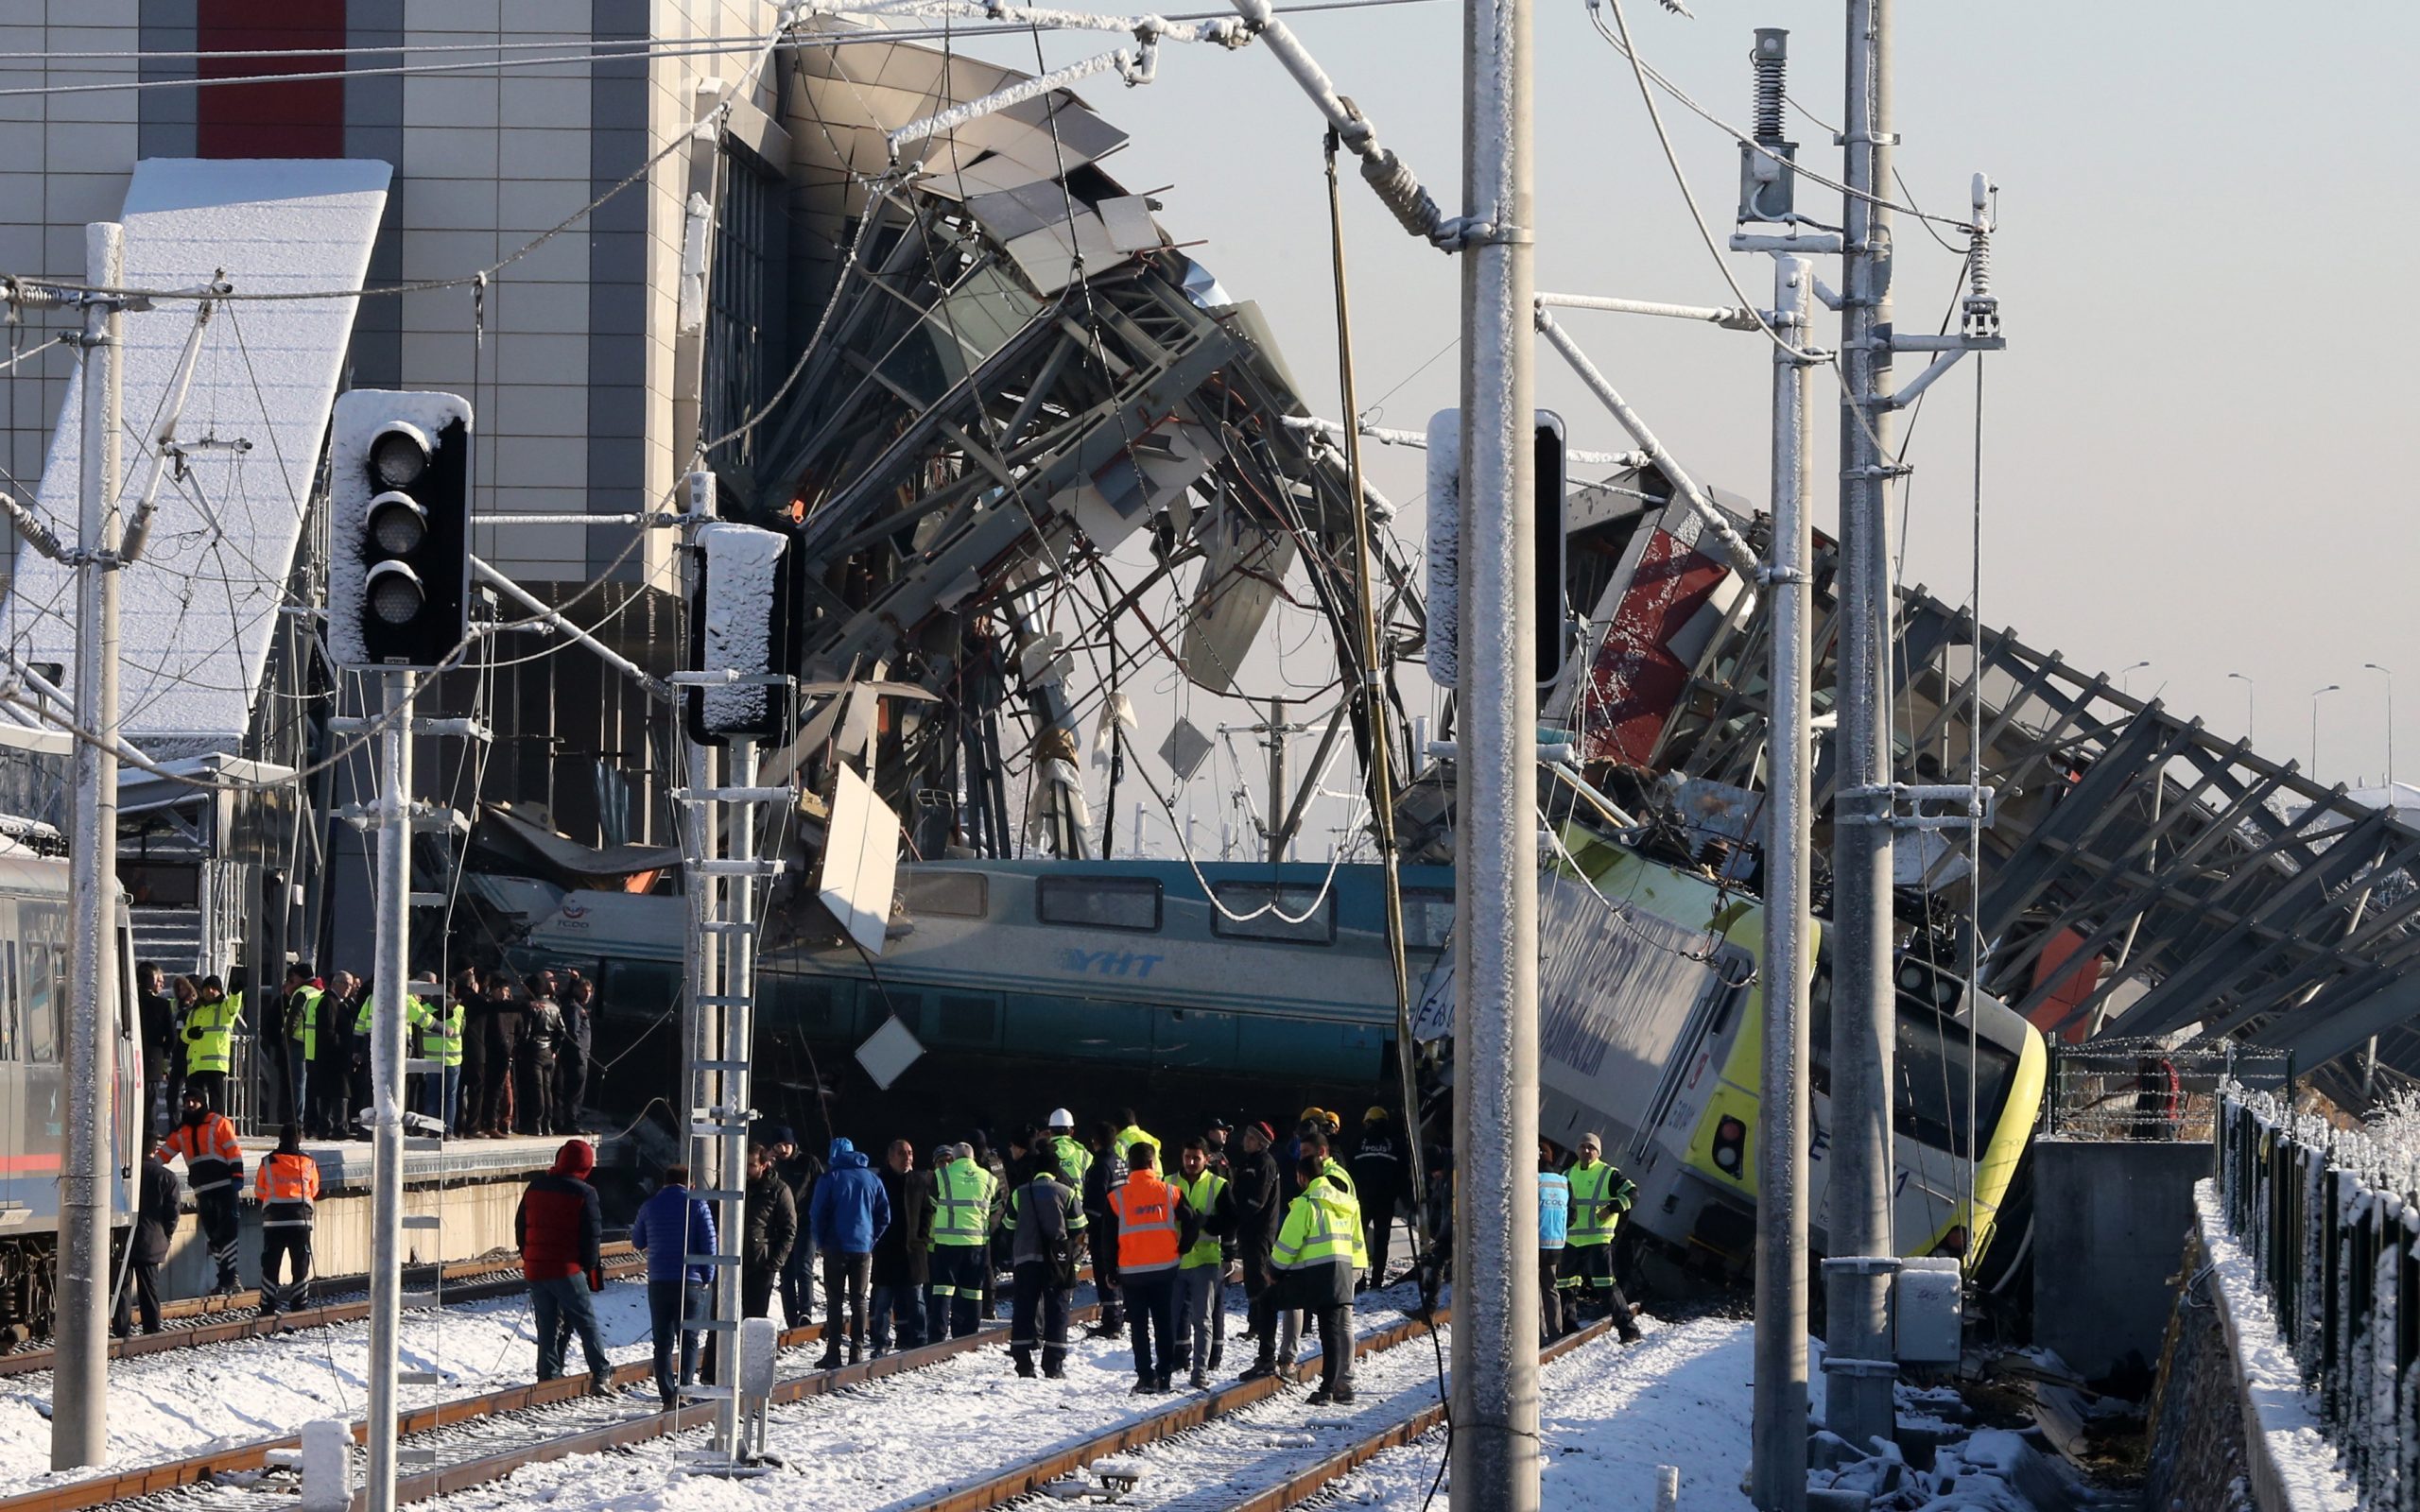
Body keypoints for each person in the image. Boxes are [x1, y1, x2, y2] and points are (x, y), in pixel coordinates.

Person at [514, 1138, 611, 1393]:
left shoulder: (535, 1186)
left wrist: (529, 1255)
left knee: (546, 1325)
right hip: (567, 1268)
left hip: (536, 1269)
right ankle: (601, 1374)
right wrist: (586, 1266)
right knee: (586, 1322)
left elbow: (520, 1225)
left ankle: (548, 1376)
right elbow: (592, 1236)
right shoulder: (585, 1193)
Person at [1272, 1153, 1360, 1404]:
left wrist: (1275, 1269)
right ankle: (1336, 1387)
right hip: (1343, 1270)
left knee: (1327, 1332)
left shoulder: (1307, 1202)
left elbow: (1288, 1244)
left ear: (1302, 1176)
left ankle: (1325, 1389)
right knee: (1334, 1330)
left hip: (1319, 1273)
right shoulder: (1345, 1201)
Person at [1109, 1141, 1195, 1394]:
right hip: (1165, 1270)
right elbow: (1191, 1222)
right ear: (1151, 1163)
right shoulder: (1170, 1192)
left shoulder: (1116, 1198)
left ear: (1130, 1166)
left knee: (1138, 1325)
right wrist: (1182, 1248)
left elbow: (1107, 1239)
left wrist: (1110, 1270)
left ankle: (1145, 1376)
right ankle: (1165, 1374)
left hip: (1131, 1272)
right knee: (1163, 1322)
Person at [630, 1163, 714, 1412]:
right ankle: (685, 1391)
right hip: (691, 1281)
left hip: (658, 1282)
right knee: (688, 1339)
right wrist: (707, 1277)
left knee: (662, 1342)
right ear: (692, 1184)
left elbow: (637, 1240)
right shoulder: (698, 1204)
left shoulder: (649, 1206)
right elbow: (709, 1247)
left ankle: (667, 1395)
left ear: (664, 1183)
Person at [808, 1136, 889, 1368]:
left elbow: (817, 1213)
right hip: (862, 1247)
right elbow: (885, 1215)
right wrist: (871, 1238)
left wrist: (820, 1241)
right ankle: (857, 1352)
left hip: (835, 1246)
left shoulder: (830, 1178)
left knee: (834, 1301)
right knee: (859, 1301)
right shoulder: (872, 1179)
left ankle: (833, 1352)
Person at [161, 1087, 244, 1293]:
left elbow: (233, 1150)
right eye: (187, 1101)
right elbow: (163, 1155)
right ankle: (228, 1279)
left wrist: (237, 1176)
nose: (190, 1105)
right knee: (214, 1235)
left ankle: (227, 1279)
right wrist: (145, 1165)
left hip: (224, 1186)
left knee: (227, 1233)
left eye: (194, 1101)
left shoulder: (219, 1123)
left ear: (202, 1102)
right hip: (203, 1189)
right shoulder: (181, 1132)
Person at [1563, 1131, 1643, 1342]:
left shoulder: (1609, 1174)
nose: (1586, 1150)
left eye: (1591, 1147)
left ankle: (1629, 1330)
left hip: (1598, 1239)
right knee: (1565, 1286)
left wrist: (1614, 1207)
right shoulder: (1567, 1174)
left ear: (1598, 1152)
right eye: (1583, 1146)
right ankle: (1568, 1331)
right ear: (1577, 1150)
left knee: (1606, 1286)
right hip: (1571, 1240)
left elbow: (1632, 1193)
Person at [1008, 1149, 1081, 1379]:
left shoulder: (1020, 1193)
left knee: (1024, 1309)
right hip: (1056, 1261)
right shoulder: (1066, 1193)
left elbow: (1008, 1225)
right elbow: (1079, 1227)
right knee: (1057, 1308)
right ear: (1055, 1170)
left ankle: (1023, 1363)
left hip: (1025, 1260)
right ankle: (1053, 1365)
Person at [1173, 1136, 1236, 1388]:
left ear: (1206, 1159)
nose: (1190, 1162)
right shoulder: (1169, 1182)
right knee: (1170, 1318)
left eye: (1195, 1158)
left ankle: (1199, 1371)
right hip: (1175, 1259)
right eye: (1187, 1157)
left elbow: (1232, 1220)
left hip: (1206, 1260)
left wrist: (1206, 1222)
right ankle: (1170, 1365)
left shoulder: (1218, 1185)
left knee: (1202, 1319)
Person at [1231, 1121, 1285, 1379]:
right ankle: (1255, 1325)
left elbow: (1257, 1200)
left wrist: (1237, 1217)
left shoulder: (1265, 1163)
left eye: (1251, 1137)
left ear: (1261, 1141)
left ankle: (1263, 1334)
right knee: (1252, 1281)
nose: (1245, 1140)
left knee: (1260, 1283)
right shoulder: (1247, 1162)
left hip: (1260, 1232)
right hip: (1248, 1231)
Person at [112, 1141, 183, 1336]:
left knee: (122, 1289)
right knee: (149, 1290)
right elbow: (173, 1213)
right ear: (155, 1150)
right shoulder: (166, 1176)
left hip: (124, 1238)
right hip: (152, 1240)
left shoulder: (124, 1175)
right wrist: (166, 1236)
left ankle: (121, 1330)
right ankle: (151, 1331)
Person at [926, 1142, 994, 1341]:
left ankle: (938, 1335)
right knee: (973, 1291)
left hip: (947, 1242)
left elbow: (932, 1203)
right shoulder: (988, 1178)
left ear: (954, 1159)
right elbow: (997, 1205)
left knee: (943, 1289)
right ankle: (968, 1334)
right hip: (977, 1242)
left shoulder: (942, 1176)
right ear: (972, 1158)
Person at [869, 1138, 931, 1354]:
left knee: (916, 1299)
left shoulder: (919, 1180)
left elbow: (927, 1212)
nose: (908, 1158)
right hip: (886, 1249)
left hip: (913, 1250)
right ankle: (880, 1341)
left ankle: (920, 1339)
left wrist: (922, 1238)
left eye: (910, 1153)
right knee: (883, 1301)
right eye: (902, 1153)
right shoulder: (880, 1181)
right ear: (890, 1157)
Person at [254, 1124, 321, 1315]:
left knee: (270, 1264)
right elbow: (314, 1190)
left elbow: (259, 1191)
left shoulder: (267, 1162)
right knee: (300, 1263)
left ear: (280, 1138)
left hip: (273, 1222)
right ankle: (299, 1305)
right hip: (301, 1221)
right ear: (298, 1139)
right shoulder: (308, 1162)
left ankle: (267, 1305)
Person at [769, 1128, 822, 1328]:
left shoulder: (808, 1162)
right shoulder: (773, 1167)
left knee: (804, 1266)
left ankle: (805, 1312)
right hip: (781, 1226)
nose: (782, 1149)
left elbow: (820, 1188)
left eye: (786, 1145)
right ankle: (791, 1318)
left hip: (805, 1222)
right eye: (778, 1146)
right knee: (786, 1272)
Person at [1080, 1119, 1128, 1338]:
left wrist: (1087, 1228)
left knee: (1105, 1272)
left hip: (1105, 1227)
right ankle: (1115, 1317)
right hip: (1122, 1224)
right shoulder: (1120, 1162)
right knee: (1115, 1271)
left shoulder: (1100, 1165)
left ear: (1096, 1141)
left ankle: (1112, 1321)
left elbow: (1095, 1200)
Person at [1350, 1107, 1405, 1288]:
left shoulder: (1358, 1142)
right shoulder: (1395, 1144)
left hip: (1362, 1201)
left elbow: (1350, 1170)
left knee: (1358, 1240)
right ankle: (1376, 1281)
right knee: (1382, 1242)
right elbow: (1402, 1174)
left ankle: (1359, 1280)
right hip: (1385, 1201)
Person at [742, 1142, 797, 1322]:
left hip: (760, 1264)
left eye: (752, 1165)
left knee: (754, 1319)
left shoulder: (779, 1190)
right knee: (720, 1319)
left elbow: (789, 1229)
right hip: (730, 1263)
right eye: (744, 1163)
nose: (746, 1169)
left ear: (764, 1165)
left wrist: (774, 1263)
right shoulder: (731, 1185)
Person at [181, 975, 240, 1113]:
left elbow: (234, 1005)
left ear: (220, 991)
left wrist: (236, 993)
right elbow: (184, 1035)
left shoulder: (224, 1008)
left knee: (216, 1101)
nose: (210, 991)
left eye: (214, 988)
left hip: (215, 1063)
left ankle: (215, 1129)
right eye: (207, 988)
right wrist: (190, 1034)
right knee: (195, 1101)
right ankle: (197, 1127)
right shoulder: (196, 1011)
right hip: (196, 1063)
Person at [313, 971, 358, 1138]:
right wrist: (343, 1049)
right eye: (345, 984)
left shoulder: (341, 1004)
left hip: (334, 1057)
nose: (349, 988)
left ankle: (330, 1127)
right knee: (337, 1093)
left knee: (332, 1092)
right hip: (333, 1058)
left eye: (351, 984)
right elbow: (329, 1031)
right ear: (335, 983)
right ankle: (336, 1127)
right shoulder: (329, 1003)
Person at [418, 985, 467, 1134]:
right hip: (452, 1060)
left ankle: (431, 1130)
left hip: (432, 1059)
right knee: (450, 1097)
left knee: (432, 1095)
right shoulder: (460, 1010)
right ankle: (448, 1131)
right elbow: (463, 1030)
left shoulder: (425, 1008)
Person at [280, 965, 323, 1132]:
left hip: (298, 1043)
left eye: (292, 978)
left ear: (299, 977)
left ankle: (296, 1121)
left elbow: (293, 1019)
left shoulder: (302, 992)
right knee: (311, 1085)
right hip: (314, 1043)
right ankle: (310, 1120)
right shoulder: (318, 991)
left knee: (298, 1084)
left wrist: (285, 1039)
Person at [135, 962, 174, 1140]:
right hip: (153, 1059)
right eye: (159, 980)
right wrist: (162, 1055)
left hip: (132, 1057)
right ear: (152, 981)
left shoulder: (130, 1002)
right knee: (150, 1102)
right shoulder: (162, 1005)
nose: (162, 984)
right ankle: (148, 1136)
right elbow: (172, 1037)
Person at [1537, 1138, 1570, 1341]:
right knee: (1551, 1289)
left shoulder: (1533, 1180)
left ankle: (1539, 1337)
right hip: (1556, 1244)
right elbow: (1572, 1214)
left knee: (1533, 1292)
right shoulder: (1564, 1182)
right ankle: (1556, 1334)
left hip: (1534, 1244)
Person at [518, 991, 564, 1136]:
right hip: (549, 1050)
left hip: (535, 1049)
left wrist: (521, 1048)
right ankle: (547, 1125)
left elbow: (527, 1032)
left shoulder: (536, 1007)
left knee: (537, 1088)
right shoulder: (555, 1008)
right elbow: (562, 1031)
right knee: (547, 1088)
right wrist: (555, 1049)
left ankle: (536, 1124)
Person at [557, 976, 596, 1133]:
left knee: (576, 1090)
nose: (587, 995)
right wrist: (580, 1054)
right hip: (576, 1057)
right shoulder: (573, 1007)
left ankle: (571, 1121)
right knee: (574, 1091)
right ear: (577, 991)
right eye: (584, 991)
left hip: (581, 1056)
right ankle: (571, 1124)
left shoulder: (578, 1007)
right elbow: (572, 1033)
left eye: (589, 992)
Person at [164, 973, 198, 1120]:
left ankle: (190, 1123)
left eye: (184, 988)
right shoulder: (175, 1006)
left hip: (191, 1056)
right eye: (179, 989)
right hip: (177, 1056)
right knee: (171, 1094)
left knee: (192, 1094)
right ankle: (175, 1125)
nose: (181, 992)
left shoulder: (197, 1009)